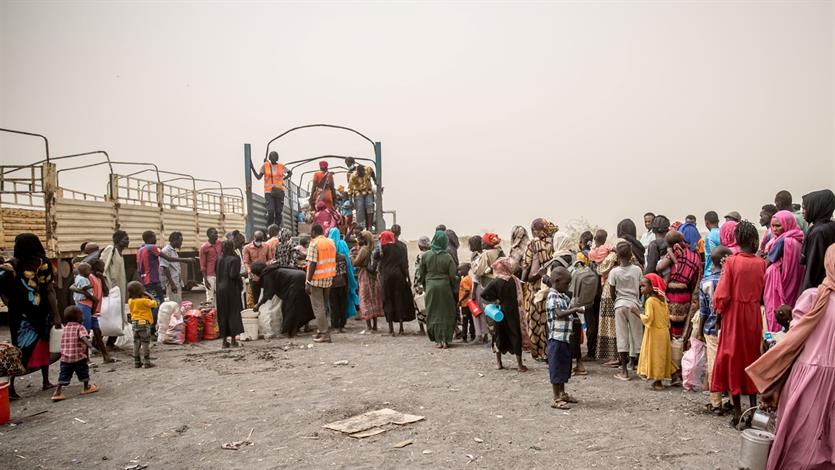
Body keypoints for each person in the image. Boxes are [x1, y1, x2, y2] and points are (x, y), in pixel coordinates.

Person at [745, 244, 835, 470]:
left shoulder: (814, 298)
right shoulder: (816, 298)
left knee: (798, 440)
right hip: (820, 378)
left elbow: (792, 341)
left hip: (808, 380)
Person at [710, 221, 766, 426]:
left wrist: (718, 314)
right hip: (752, 314)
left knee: (732, 359)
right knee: (751, 358)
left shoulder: (731, 262)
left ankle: (737, 412)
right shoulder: (761, 263)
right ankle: (752, 408)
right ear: (753, 240)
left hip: (733, 315)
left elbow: (722, 294)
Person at [1, 234, 61, 399]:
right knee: (39, 344)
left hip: (20, 316)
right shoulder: (43, 263)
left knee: (21, 349)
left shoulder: (11, 265)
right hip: (40, 313)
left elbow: (3, 290)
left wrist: (10, 305)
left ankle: (13, 386)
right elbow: (49, 290)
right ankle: (45, 381)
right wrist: (56, 315)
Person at [695, 246, 732, 415]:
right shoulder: (732, 279)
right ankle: (732, 400)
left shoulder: (706, 281)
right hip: (730, 329)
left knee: (714, 365)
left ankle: (715, 402)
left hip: (710, 329)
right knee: (730, 365)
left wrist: (700, 330)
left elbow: (703, 310)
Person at [137, 230, 192, 324]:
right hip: (153, 281)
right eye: (154, 237)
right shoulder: (152, 248)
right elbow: (167, 260)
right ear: (150, 238)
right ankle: (157, 326)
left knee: (153, 304)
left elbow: (139, 269)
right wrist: (186, 260)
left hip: (146, 282)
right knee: (160, 306)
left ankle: (154, 327)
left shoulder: (140, 250)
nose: (156, 239)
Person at [481, 257, 527, 371]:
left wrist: (495, 300)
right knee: (515, 335)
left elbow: (483, 294)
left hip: (499, 312)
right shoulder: (514, 280)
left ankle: (499, 363)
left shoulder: (496, 281)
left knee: (498, 335)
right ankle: (520, 365)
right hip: (513, 312)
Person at [546, 266, 582, 409]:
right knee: (556, 367)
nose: (567, 286)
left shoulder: (563, 296)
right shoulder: (552, 296)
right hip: (556, 338)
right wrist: (575, 310)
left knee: (564, 367)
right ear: (556, 281)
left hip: (565, 337)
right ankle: (556, 398)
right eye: (566, 283)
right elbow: (559, 313)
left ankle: (562, 393)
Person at [763, 210, 805, 332]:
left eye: (778, 225)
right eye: (773, 226)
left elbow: (769, 261)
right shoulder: (798, 238)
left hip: (780, 284)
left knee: (776, 311)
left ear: (787, 224)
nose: (774, 229)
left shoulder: (782, 241)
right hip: (793, 285)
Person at [521, 218, 557, 361]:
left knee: (536, 319)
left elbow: (526, 265)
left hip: (536, 288)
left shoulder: (533, 243)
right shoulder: (554, 241)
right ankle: (552, 350)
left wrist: (523, 281)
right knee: (549, 319)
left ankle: (541, 351)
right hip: (552, 285)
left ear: (536, 230)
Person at [608, 242, 644, 380]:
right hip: (633, 305)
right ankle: (641, 369)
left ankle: (624, 371)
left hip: (619, 305)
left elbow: (612, 292)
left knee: (622, 337)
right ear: (631, 255)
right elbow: (641, 288)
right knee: (637, 335)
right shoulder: (637, 270)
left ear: (617, 255)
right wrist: (636, 299)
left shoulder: (614, 272)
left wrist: (617, 301)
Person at [251, 262, 315, 337]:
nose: (252, 277)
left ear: (258, 273)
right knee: (296, 306)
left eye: (253, 275)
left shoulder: (267, 275)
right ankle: (294, 329)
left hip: (296, 281)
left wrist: (258, 305)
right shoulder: (270, 270)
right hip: (300, 276)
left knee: (290, 308)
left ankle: (289, 332)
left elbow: (268, 294)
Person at [637, 273, 676, 390]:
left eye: (643, 286)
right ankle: (673, 375)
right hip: (663, 332)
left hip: (654, 334)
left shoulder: (650, 301)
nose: (641, 288)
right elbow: (667, 317)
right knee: (662, 355)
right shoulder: (663, 300)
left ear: (652, 287)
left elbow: (649, 318)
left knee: (656, 356)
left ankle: (658, 382)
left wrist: (636, 313)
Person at [419, 230, 458, 348]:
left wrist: (425, 285)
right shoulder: (447, 257)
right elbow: (452, 275)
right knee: (446, 313)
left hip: (431, 286)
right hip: (445, 287)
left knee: (433, 313)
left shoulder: (426, 255)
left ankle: (437, 340)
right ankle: (445, 340)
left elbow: (422, 274)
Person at [51, 306, 98, 402]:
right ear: (78, 318)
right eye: (82, 315)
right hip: (78, 357)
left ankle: (57, 392)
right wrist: (90, 346)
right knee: (83, 372)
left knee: (63, 374)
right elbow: (84, 337)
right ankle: (86, 387)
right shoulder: (80, 327)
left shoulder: (66, 328)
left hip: (65, 358)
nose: (83, 317)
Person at [589, 229, 618, 366]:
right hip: (608, 282)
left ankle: (610, 354)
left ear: (595, 238)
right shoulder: (608, 250)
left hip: (604, 284)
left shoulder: (593, 252)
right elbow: (614, 249)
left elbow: (597, 266)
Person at [380, 228, 415, 335]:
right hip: (399, 276)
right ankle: (401, 327)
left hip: (386, 276)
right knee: (399, 299)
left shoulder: (383, 247)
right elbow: (405, 265)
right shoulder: (402, 247)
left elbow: (376, 257)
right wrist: (408, 278)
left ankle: (391, 329)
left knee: (388, 300)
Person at [306, 224, 336, 343]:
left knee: (318, 308)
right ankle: (321, 330)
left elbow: (312, 263)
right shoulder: (330, 242)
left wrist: (308, 281)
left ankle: (324, 334)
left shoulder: (314, 243)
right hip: (328, 278)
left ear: (313, 232)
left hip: (316, 279)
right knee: (324, 306)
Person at [800, 189, 835, 290]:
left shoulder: (818, 233)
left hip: (818, 289)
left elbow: (812, 269)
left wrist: (805, 296)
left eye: (805, 208)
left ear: (816, 208)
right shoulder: (830, 227)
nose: (803, 212)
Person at [100, 230, 129, 348]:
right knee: (108, 315)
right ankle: (97, 343)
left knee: (119, 316)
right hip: (110, 290)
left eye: (127, 238)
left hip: (119, 291)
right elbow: (101, 270)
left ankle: (111, 344)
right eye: (125, 238)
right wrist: (104, 287)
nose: (127, 241)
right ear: (117, 240)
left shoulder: (120, 254)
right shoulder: (110, 250)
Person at [352, 230, 385, 333]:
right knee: (374, 300)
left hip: (365, 276)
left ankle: (368, 327)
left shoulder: (364, 250)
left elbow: (356, 263)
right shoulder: (373, 249)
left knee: (365, 299)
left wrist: (351, 256)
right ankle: (374, 326)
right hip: (374, 276)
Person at [214, 240, 244, 347]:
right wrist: (240, 280)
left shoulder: (218, 259)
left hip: (220, 290)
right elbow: (233, 275)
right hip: (231, 289)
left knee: (222, 314)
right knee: (233, 314)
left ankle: (223, 342)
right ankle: (233, 341)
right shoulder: (234, 259)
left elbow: (216, 272)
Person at [328, 227, 359, 331]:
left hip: (332, 282)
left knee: (333, 303)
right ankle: (342, 324)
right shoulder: (342, 248)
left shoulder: (328, 250)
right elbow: (348, 267)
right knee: (342, 303)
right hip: (343, 282)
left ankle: (334, 324)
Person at [252, 150, 289, 227]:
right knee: (271, 211)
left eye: (275, 157)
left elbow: (290, 173)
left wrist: (284, 178)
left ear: (277, 158)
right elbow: (258, 177)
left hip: (279, 191)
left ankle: (277, 227)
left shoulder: (281, 166)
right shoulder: (265, 166)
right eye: (271, 157)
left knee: (278, 211)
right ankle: (270, 227)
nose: (273, 158)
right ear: (269, 157)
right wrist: (252, 168)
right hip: (269, 192)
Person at [127, 280, 157, 367]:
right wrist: (149, 294)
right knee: (145, 342)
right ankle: (147, 362)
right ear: (140, 291)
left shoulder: (130, 301)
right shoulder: (144, 301)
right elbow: (155, 304)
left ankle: (137, 362)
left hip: (134, 323)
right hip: (144, 323)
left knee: (136, 343)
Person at [468, 235, 490, 344]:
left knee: (476, 311)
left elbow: (476, 276)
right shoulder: (484, 254)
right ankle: (485, 334)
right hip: (485, 286)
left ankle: (479, 335)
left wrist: (472, 292)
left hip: (477, 287)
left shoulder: (475, 256)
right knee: (484, 311)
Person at [243, 230, 274, 306]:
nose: (259, 242)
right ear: (254, 238)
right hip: (253, 274)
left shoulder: (266, 246)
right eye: (257, 240)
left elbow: (270, 259)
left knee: (266, 293)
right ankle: (256, 309)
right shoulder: (247, 248)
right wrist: (250, 272)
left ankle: (264, 310)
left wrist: (266, 265)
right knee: (255, 294)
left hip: (264, 273)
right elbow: (246, 262)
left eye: (261, 240)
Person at [345, 157, 376, 230]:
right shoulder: (353, 176)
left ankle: (370, 226)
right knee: (360, 209)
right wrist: (350, 201)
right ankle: (361, 227)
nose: (360, 175)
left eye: (361, 174)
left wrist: (375, 180)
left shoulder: (368, 169)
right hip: (358, 193)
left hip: (368, 191)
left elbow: (372, 173)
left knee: (370, 205)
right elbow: (350, 189)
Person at [159, 231, 185, 303]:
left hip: (176, 281)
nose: (181, 243)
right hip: (171, 282)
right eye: (180, 241)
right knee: (172, 304)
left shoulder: (173, 251)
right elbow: (165, 268)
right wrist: (172, 284)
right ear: (174, 240)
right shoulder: (166, 251)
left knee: (177, 303)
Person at [199, 228, 222, 303]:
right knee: (210, 297)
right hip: (210, 275)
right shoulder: (204, 247)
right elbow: (202, 265)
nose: (216, 235)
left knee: (221, 296)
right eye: (214, 233)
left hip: (220, 273)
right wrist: (205, 279)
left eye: (217, 233)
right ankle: (211, 313)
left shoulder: (220, 243)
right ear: (208, 235)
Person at [413, 236, 431, 334]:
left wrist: (418, 283)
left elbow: (418, 271)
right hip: (428, 281)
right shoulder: (431, 254)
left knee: (419, 303)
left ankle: (421, 328)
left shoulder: (420, 255)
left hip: (419, 282)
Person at [457, 262, 475, 343]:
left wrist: (460, 300)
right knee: (471, 320)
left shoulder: (464, 280)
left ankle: (464, 337)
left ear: (466, 270)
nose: (459, 272)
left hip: (465, 303)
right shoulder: (469, 278)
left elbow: (467, 291)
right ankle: (472, 336)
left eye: (460, 270)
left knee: (465, 321)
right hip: (471, 303)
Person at [703, 211, 721, 276]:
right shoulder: (723, 233)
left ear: (706, 223)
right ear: (718, 221)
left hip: (710, 273)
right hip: (722, 272)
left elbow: (713, 254)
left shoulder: (708, 236)